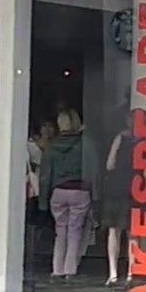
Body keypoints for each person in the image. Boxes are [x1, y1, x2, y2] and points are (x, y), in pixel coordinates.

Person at [39, 109, 99, 281]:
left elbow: (46, 174)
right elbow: (93, 170)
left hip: (58, 192)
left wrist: (43, 200)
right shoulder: (86, 144)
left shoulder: (51, 146)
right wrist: (96, 196)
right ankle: (70, 270)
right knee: (75, 231)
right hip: (80, 190)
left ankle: (56, 269)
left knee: (60, 231)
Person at [102, 112, 136, 286]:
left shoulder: (120, 138)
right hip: (135, 189)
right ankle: (132, 272)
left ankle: (113, 273)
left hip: (117, 188)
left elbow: (110, 164)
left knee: (114, 231)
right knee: (133, 232)